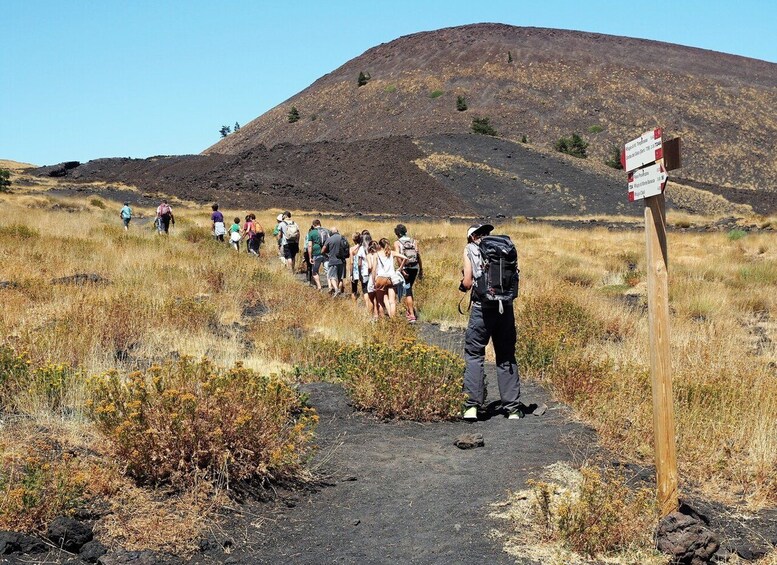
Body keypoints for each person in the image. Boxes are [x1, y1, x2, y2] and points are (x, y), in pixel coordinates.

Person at [459, 224, 521, 421]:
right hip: (506, 307)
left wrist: (462, 286)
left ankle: (472, 407)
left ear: (471, 237)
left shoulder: (470, 249)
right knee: (506, 354)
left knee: (475, 354)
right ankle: (512, 408)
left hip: (482, 309)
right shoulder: (505, 247)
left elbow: (468, 281)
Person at [393, 224, 423, 323]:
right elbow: (418, 255)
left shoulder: (397, 243)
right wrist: (421, 269)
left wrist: (401, 270)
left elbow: (398, 257)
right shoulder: (414, 241)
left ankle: (412, 315)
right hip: (415, 268)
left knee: (408, 290)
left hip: (405, 268)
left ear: (397, 233)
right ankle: (409, 310)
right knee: (408, 289)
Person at [372, 238, 406, 317]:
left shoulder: (376, 255)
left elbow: (374, 270)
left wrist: (374, 281)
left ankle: (383, 320)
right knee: (392, 302)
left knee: (380, 301)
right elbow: (405, 258)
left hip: (380, 278)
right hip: (391, 279)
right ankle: (393, 319)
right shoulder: (392, 253)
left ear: (380, 245)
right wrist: (400, 268)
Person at [321, 227, 348, 296]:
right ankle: (339, 292)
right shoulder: (343, 238)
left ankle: (336, 289)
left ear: (331, 232)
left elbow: (322, 250)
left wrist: (326, 255)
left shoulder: (329, 239)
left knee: (331, 277)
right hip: (342, 261)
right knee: (340, 278)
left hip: (333, 261)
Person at [306, 219, 327, 290]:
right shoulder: (326, 231)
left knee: (314, 271)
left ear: (313, 225)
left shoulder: (311, 233)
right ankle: (331, 286)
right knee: (328, 270)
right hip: (326, 253)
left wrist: (309, 257)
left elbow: (309, 246)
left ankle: (319, 286)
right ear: (320, 224)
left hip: (316, 253)